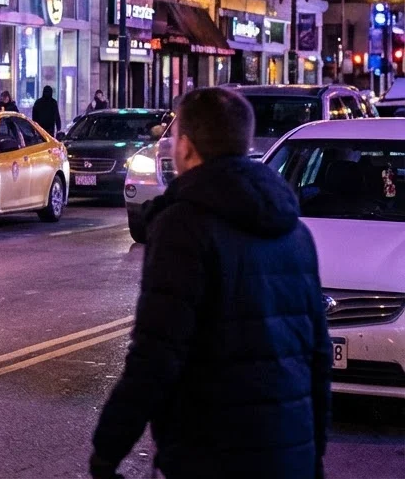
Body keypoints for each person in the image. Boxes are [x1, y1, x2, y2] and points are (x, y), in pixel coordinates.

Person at [90, 87, 330, 479]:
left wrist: (107, 452)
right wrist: (313, 454)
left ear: (185, 146)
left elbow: (156, 353)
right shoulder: (294, 231)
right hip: (291, 454)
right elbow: (318, 356)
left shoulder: (184, 226)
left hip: (210, 453)